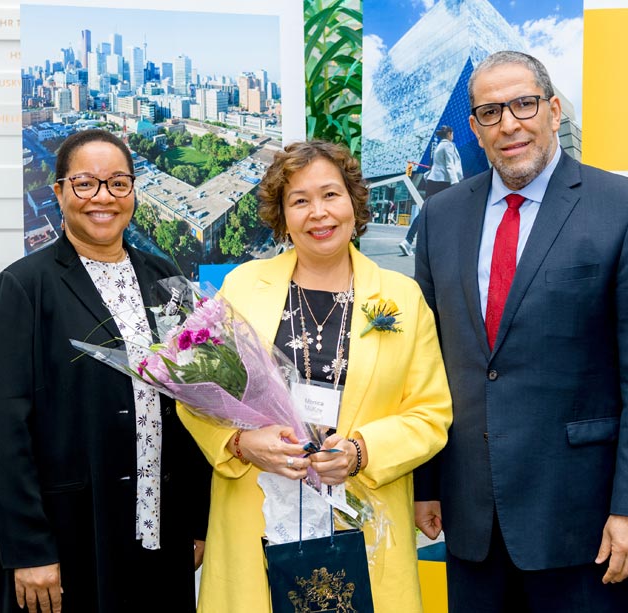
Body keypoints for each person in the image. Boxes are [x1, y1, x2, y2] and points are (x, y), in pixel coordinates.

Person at [413, 51, 628, 611]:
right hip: (473, 519)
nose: (509, 123)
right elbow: (430, 363)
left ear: (554, 110)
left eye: (524, 104)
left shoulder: (627, 210)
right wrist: (428, 485)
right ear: (475, 128)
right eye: (490, 111)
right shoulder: (443, 217)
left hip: (584, 524)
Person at [177, 140, 452, 613]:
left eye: (330, 195)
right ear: (282, 217)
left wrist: (361, 451)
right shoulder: (243, 286)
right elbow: (194, 394)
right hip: (257, 512)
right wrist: (242, 444)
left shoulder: (401, 298)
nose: (318, 213)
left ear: (353, 202)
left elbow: (431, 414)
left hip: (363, 517)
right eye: (300, 201)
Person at [0, 129, 211, 613]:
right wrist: (29, 548)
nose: (102, 197)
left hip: (159, 528)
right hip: (72, 531)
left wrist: (196, 520)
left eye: (117, 183)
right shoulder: (23, 288)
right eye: (85, 184)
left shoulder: (163, 275)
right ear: (60, 191)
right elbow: (3, 432)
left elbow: (194, 403)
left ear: (133, 193)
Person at [399, 125, 462, 255]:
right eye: (452, 133)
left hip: (434, 181)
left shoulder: (439, 146)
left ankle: (408, 241)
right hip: (443, 182)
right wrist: (455, 183)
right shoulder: (448, 145)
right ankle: (444, 244)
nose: (453, 135)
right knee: (448, 212)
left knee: (427, 211)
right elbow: (450, 165)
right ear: (449, 133)